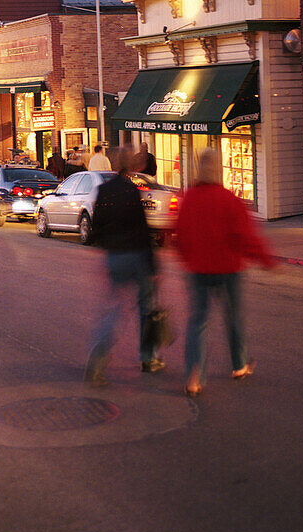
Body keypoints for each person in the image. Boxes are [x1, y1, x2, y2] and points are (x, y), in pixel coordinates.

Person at [174, 148, 277, 397]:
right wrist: (266, 260)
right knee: (233, 318)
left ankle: (194, 375)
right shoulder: (229, 200)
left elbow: (178, 235)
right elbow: (245, 236)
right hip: (228, 269)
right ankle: (239, 365)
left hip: (198, 270)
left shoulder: (189, 199)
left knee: (197, 322)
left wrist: (188, 259)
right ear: (219, 169)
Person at [84, 145, 161, 385]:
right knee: (146, 307)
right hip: (137, 255)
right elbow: (142, 228)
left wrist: (109, 245)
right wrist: (152, 265)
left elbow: (96, 228)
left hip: (115, 256)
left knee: (114, 309)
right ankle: (148, 358)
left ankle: (98, 359)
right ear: (130, 166)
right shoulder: (131, 191)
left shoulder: (104, 191)